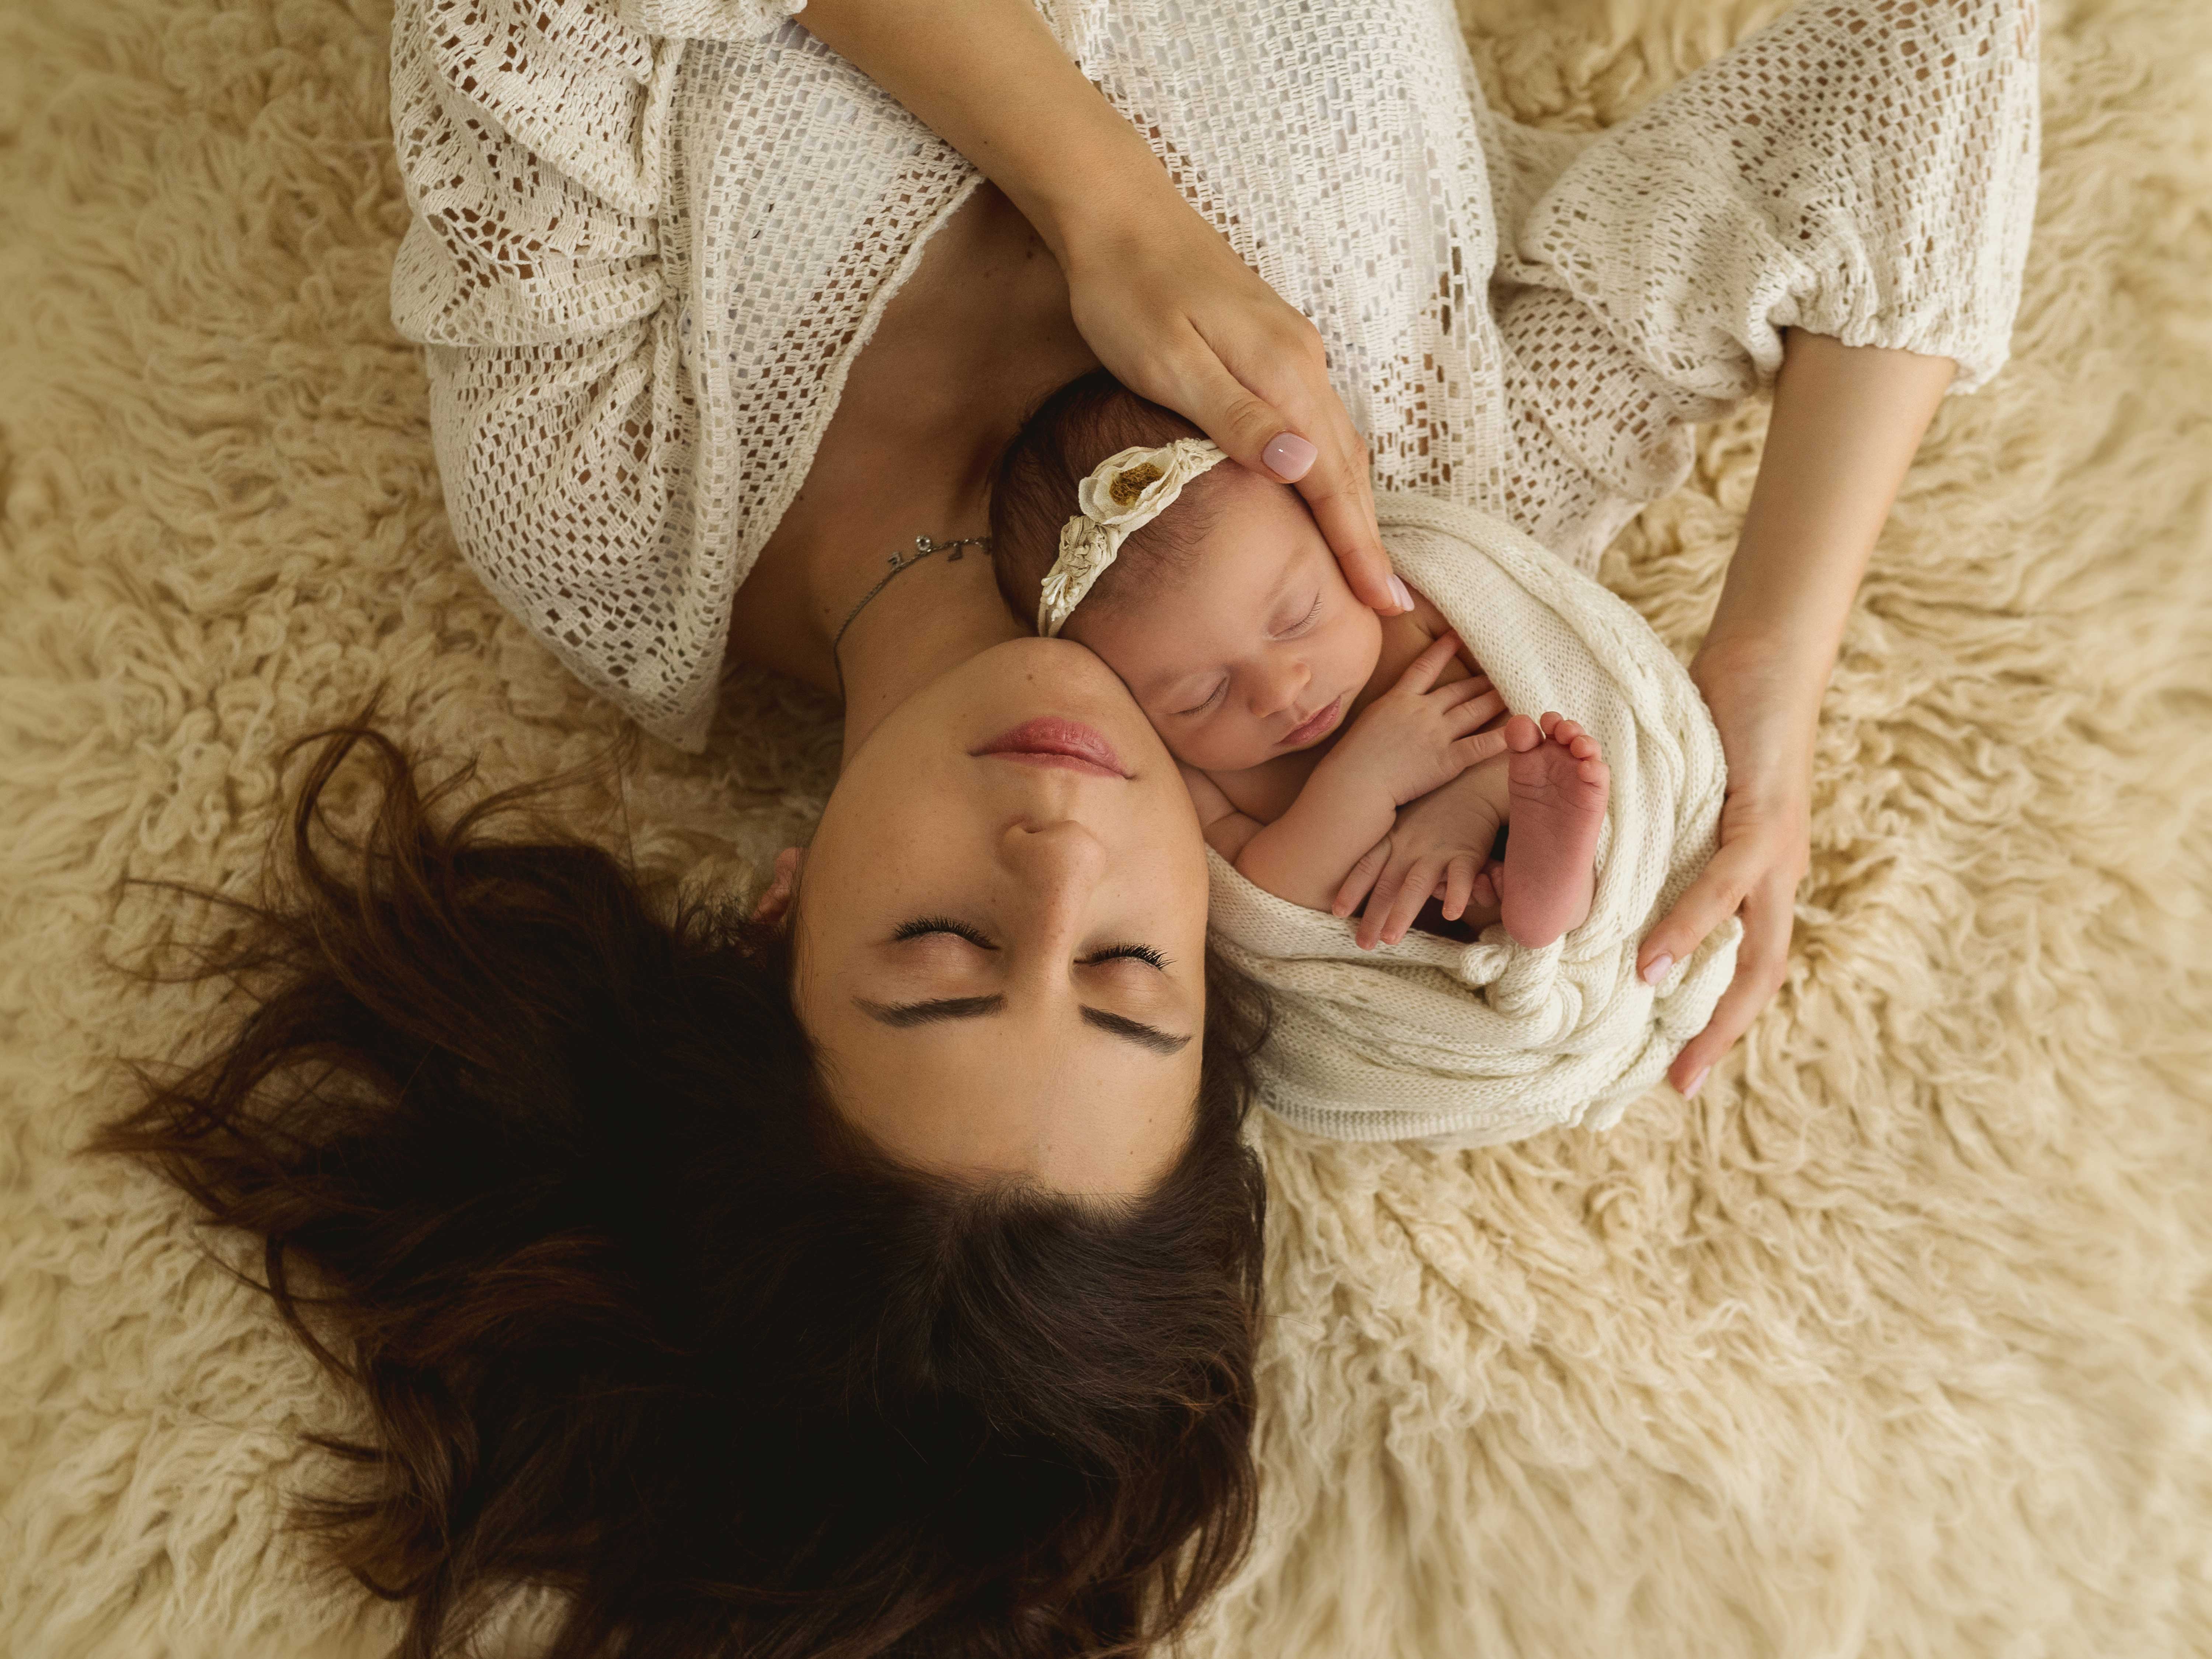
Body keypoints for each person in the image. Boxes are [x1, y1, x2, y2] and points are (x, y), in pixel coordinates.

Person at [105, 0, 2039, 1654]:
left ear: (774, 917)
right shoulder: (1408, 538)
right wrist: (1768, 673)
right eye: (1129, 974)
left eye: (939, 955)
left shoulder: (594, 490)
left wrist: (1100, 196)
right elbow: (1919, 47)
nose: (1053, 852)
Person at [989, 368, 1617, 952]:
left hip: (1520, 806)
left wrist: (1476, 801)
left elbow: (1550, 682)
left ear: (1337, 537)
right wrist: (1366, 781)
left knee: (1552, 760)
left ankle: (1549, 887)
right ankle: (1539, 911)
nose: (1280, 692)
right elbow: (1265, 906)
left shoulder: (1417, 609)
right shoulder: (1194, 778)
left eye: (1296, 618)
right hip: (1405, 942)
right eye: (1200, 696)